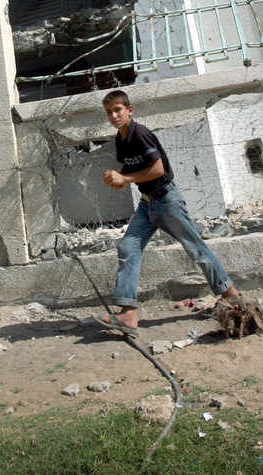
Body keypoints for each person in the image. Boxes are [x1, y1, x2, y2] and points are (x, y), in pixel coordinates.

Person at [93, 89, 240, 336]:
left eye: (118, 110)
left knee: (196, 249)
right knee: (127, 248)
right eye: (109, 112)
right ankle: (128, 314)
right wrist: (118, 179)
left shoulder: (141, 134)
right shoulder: (121, 138)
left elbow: (158, 169)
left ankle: (232, 297)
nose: (113, 115)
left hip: (166, 201)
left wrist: (125, 178)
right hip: (147, 204)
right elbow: (131, 166)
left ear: (130, 110)